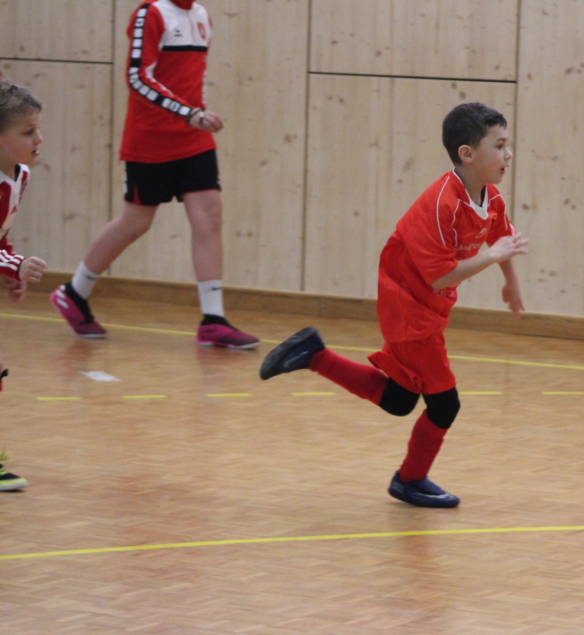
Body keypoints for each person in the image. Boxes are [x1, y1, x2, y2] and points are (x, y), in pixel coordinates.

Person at [260, 103, 528, 507]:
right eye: (500, 145)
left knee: (400, 400)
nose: (509, 154)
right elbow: (442, 276)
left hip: (429, 304)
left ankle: (312, 354)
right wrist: (493, 258)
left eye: (508, 145)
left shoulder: (490, 197)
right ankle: (409, 480)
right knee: (445, 404)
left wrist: (511, 282)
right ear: (467, 154)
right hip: (408, 305)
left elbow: (500, 237)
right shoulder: (442, 204)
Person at [50, 0, 258, 349]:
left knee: (209, 215)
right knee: (135, 223)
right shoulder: (151, 13)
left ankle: (213, 320)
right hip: (150, 138)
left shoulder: (202, 15)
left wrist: (197, 113)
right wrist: (186, 112)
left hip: (193, 137)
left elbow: (195, 77)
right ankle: (74, 292)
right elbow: (137, 77)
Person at [0, 79, 48, 490]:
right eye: (28, 132)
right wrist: (16, 266)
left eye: (38, 129)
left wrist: (9, 268)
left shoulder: (20, 175)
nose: (39, 140)